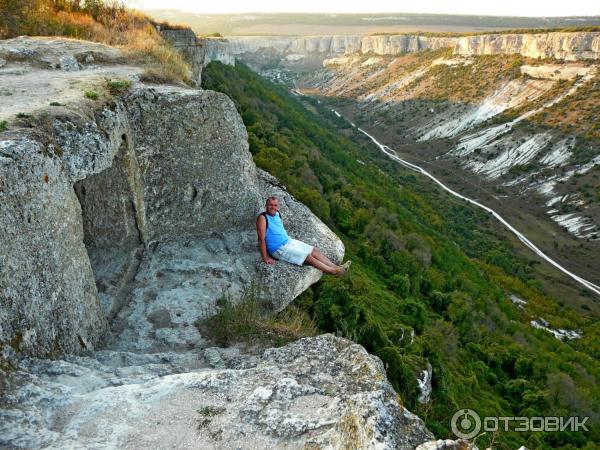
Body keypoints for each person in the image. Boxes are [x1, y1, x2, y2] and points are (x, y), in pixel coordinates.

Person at [256, 196, 351, 276]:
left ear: (278, 206)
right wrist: (265, 257)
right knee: (308, 257)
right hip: (279, 249)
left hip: (289, 241)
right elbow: (261, 239)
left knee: (314, 251)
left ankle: (336, 267)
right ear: (266, 206)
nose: (273, 207)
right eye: (270, 205)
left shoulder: (277, 214)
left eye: (275, 205)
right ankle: (334, 272)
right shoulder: (262, 218)